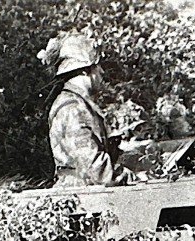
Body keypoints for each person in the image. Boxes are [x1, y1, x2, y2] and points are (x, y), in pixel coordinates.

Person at [37, 33, 131, 187]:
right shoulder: (72, 108)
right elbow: (94, 168)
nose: (101, 71)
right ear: (83, 70)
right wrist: (133, 177)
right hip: (82, 195)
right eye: (96, 66)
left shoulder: (78, 104)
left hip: (87, 191)